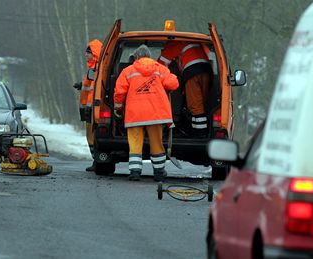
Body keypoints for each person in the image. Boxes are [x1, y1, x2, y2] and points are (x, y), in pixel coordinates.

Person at [114, 45, 179, 181]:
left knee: (135, 144)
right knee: (157, 143)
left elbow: (119, 92)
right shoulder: (160, 69)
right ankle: (159, 173)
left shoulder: (128, 71)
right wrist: (171, 75)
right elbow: (173, 84)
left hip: (135, 115)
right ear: (149, 56)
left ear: (136, 57)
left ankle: (135, 172)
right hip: (156, 114)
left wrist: (118, 108)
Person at [157, 41, 212, 137]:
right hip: (207, 70)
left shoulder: (172, 45)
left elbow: (161, 65)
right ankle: (202, 132)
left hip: (192, 73)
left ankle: (199, 134)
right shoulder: (195, 44)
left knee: (195, 106)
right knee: (203, 103)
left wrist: (159, 81)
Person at [72, 39, 103, 172]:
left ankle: (97, 161)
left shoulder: (97, 69)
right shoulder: (93, 68)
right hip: (89, 107)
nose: (85, 55)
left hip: (93, 108)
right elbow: (90, 85)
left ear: (94, 53)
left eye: (88, 52)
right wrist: (81, 84)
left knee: (92, 136)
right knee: (90, 135)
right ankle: (96, 160)